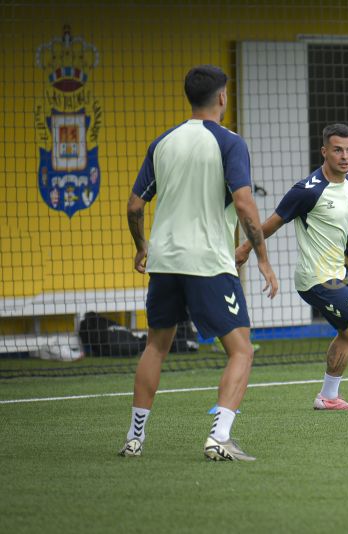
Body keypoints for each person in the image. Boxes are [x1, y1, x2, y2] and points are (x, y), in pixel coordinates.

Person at [121, 65, 278, 461]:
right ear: (222, 97)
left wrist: (142, 245)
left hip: (165, 260)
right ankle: (219, 437)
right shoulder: (229, 142)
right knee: (242, 349)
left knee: (156, 346)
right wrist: (262, 258)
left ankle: (134, 437)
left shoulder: (163, 142)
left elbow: (135, 205)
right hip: (208, 262)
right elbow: (243, 203)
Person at [236, 124, 348, 414]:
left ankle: (328, 397)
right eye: (337, 150)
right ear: (324, 151)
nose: (345, 156)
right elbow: (273, 222)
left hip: (337, 276)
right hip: (316, 279)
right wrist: (246, 249)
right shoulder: (306, 191)